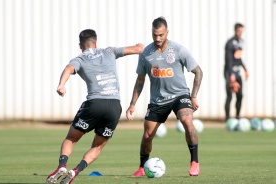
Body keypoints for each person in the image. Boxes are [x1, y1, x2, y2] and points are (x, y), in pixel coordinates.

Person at [46, 29, 144, 184]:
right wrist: (139, 46)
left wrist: (61, 85)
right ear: (96, 42)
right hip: (114, 106)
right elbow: (139, 49)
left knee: (71, 138)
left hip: (94, 104)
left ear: (80, 45)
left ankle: (62, 166)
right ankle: (76, 170)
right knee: (98, 146)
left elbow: (68, 68)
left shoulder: (79, 59)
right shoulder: (109, 51)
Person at [126, 17, 203, 177]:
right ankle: (141, 168)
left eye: (161, 35)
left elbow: (198, 71)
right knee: (147, 135)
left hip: (180, 95)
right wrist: (132, 103)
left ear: (167, 32)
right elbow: (140, 80)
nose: (158, 38)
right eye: (155, 35)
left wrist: (193, 96)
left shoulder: (178, 50)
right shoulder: (146, 53)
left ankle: (194, 162)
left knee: (187, 122)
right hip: (158, 100)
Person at [224, 23, 249, 121]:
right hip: (230, 73)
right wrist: (231, 75)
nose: (240, 33)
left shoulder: (241, 42)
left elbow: (238, 58)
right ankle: (227, 119)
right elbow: (228, 60)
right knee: (229, 95)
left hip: (238, 72)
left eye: (241, 31)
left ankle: (237, 117)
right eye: (239, 31)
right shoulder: (230, 43)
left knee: (240, 95)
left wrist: (245, 69)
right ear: (235, 30)